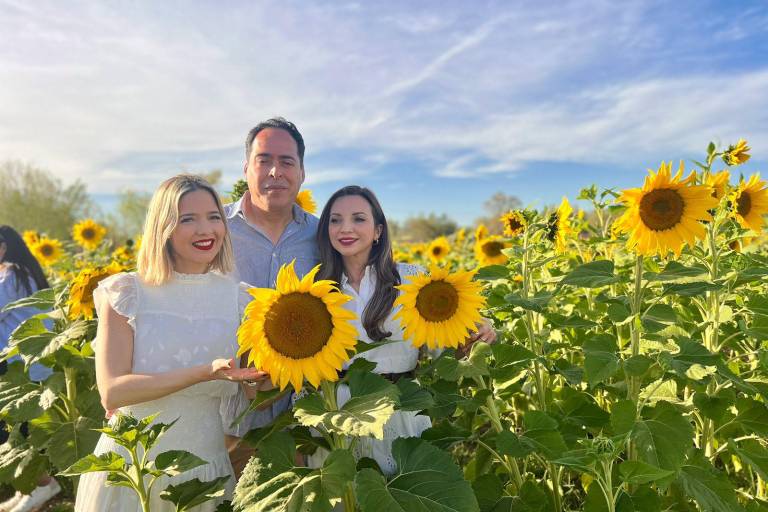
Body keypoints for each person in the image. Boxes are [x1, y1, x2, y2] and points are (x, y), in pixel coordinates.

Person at [74, 175, 263, 512]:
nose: (206, 229)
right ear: (164, 227)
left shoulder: (239, 298)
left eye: (214, 216)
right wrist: (204, 373)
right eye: (187, 219)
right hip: (133, 471)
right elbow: (113, 391)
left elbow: (253, 395)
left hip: (206, 473)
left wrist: (261, 381)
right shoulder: (127, 292)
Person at [310, 185, 496, 475]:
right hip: (338, 414)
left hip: (399, 407)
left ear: (378, 231)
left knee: (401, 491)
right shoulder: (316, 289)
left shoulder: (411, 280)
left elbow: (446, 347)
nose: (345, 228)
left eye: (359, 218)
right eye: (335, 220)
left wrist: (475, 334)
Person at [221, 117, 319, 478]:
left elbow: (377, 272)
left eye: (287, 161)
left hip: (305, 412)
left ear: (302, 172)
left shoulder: (323, 234)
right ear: (246, 167)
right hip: (228, 410)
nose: (275, 171)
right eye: (264, 160)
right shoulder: (216, 230)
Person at [0, 226, 59, 512]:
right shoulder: (27, 272)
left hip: (18, 365)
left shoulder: (12, 274)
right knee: (21, 430)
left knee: (15, 432)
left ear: (3, 247)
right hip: (34, 363)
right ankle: (31, 489)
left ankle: (43, 485)